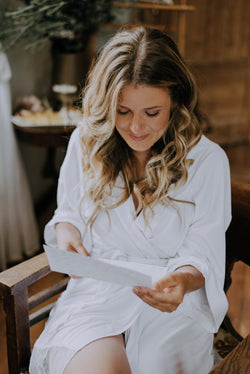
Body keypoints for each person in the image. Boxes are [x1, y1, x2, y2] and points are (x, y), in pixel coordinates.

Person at [29, 26, 231, 374]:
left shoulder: (208, 162)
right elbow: (68, 212)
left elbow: (203, 252)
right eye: (122, 111)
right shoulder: (87, 141)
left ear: (176, 101)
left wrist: (180, 282)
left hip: (171, 299)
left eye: (152, 113)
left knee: (155, 362)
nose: (136, 127)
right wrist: (67, 233)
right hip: (99, 290)